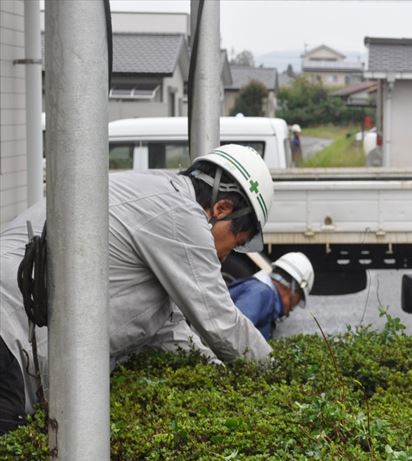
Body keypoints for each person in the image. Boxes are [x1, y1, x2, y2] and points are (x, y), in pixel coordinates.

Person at [0, 144, 275, 434]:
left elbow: (173, 334)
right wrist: (275, 374)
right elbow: (222, 323)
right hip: (8, 333)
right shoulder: (181, 216)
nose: (224, 258)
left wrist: (222, 379)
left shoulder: (156, 197)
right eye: (234, 243)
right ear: (222, 209)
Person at [228, 252, 314, 340]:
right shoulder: (261, 293)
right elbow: (234, 334)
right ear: (294, 290)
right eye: (299, 299)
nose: (292, 309)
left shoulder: (263, 294)